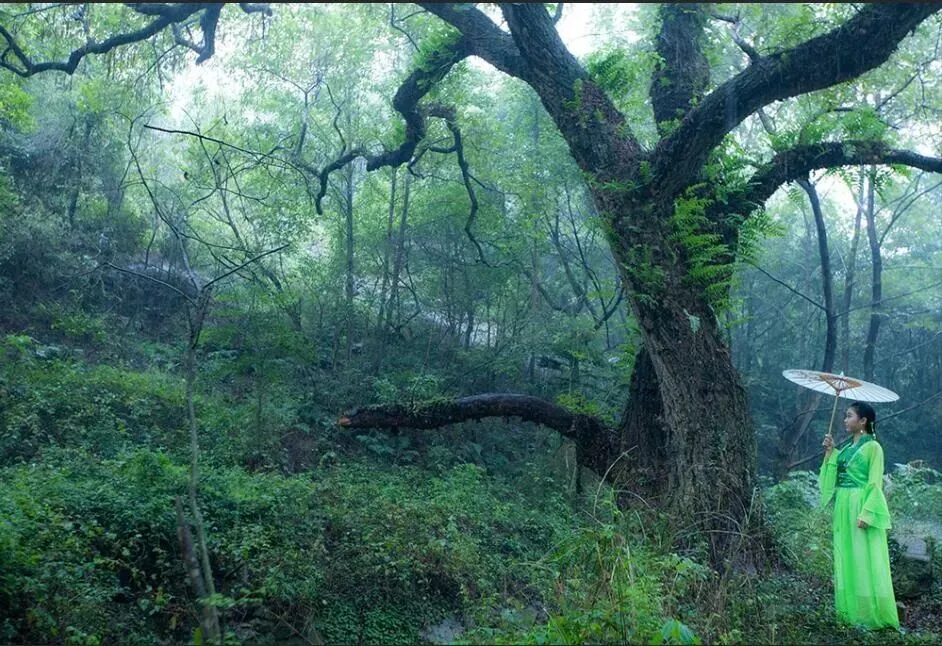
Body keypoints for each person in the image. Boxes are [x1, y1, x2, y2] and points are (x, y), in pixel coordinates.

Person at [819, 401, 899, 630]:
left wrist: (867, 513)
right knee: (846, 554)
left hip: (859, 505)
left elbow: (874, 483)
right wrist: (830, 452)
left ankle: (869, 613)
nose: (845, 420)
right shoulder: (846, 448)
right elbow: (834, 473)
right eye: (845, 416)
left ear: (863, 421)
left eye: (849, 416)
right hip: (843, 505)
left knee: (863, 556)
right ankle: (849, 611)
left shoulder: (873, 447)